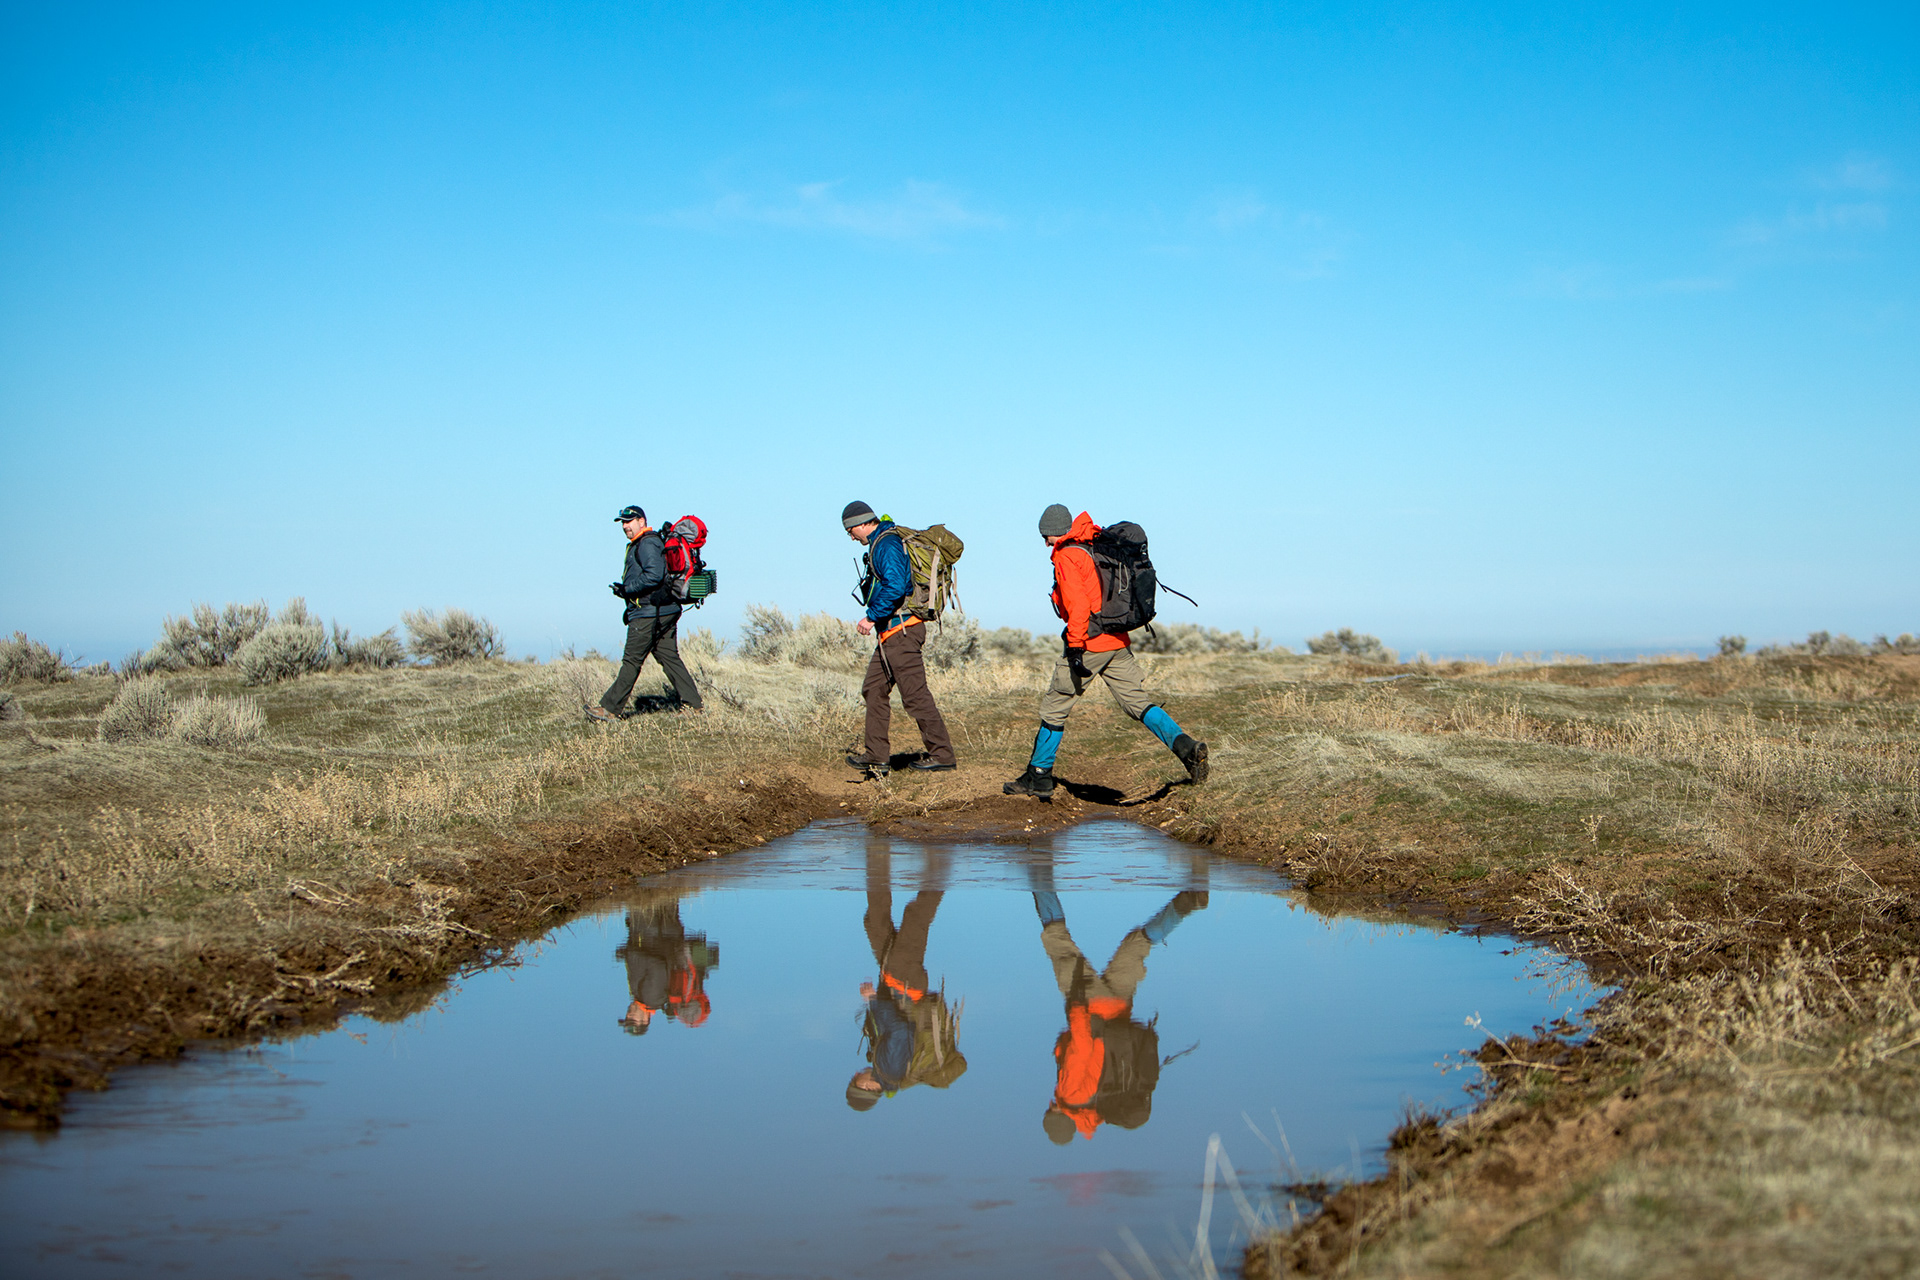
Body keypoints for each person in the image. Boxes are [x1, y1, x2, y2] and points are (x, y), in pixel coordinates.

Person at [1004, 504, 1207, 799]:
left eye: (1045, 536)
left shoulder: (1067, 554)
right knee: (1138, 702)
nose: (1045, 542)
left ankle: (1039, 776)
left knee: (1055, 706)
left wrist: (1074, 647)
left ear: (1053, 532)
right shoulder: (1092, 543)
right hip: (1117, 640)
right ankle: (1187, 748)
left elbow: (1078, 607)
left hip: (1090, 643)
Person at [1031, 884, 1206, 1142]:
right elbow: (1082, 1047)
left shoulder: (1100, 1109)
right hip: (1090, 1007)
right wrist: (1078, 1009)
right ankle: (1039, 872)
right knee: (1058, 941)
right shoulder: (1070, 1095)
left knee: (1136, 947)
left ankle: (1187, 902)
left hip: (1120, 1010)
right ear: (1054, 1113)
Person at [841, 500, 956, 777]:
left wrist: (871, 617)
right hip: (893, 633)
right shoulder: (883, 541)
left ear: (859, 524)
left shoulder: (886, 544)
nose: (850, 537)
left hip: (901, 632)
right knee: (873, 689)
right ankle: (877, 756)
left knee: (915, 696)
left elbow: (897, 585)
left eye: (849, 531)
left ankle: (942, 755)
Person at [847, 844, 966, 1109]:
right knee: (915, 918)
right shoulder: (890, 1069)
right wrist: (875, 1001)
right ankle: (940, 861)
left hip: (892, 981)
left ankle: (876, 851)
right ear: (866, 1087)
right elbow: (901, 1030)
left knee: (875, 920)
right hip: (906, 985)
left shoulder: (884, 1066)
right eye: (856, 1081)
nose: (856, 1074)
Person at [588, 504, 702, 722]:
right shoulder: (647, 542)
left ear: (642, 521)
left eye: (629, 521)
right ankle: (694, 704)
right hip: (664, 610)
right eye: (622, 522)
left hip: (649, 613)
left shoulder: (647, 543)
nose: (624, 526)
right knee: (668, 656)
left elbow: (654, 575)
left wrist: (626, 591)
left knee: (631, 660)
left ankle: (610, 709)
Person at [615, 896, 718, 1035]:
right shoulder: (651, 998)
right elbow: (657, 967)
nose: (629, 1015)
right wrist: (630, 953)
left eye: (627, 1018)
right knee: (643, 892)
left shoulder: (644, 997)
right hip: (652, 930)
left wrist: (627, 954)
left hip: (665, 932)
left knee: (668, 891)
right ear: (645, 1020)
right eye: (633, 1020)